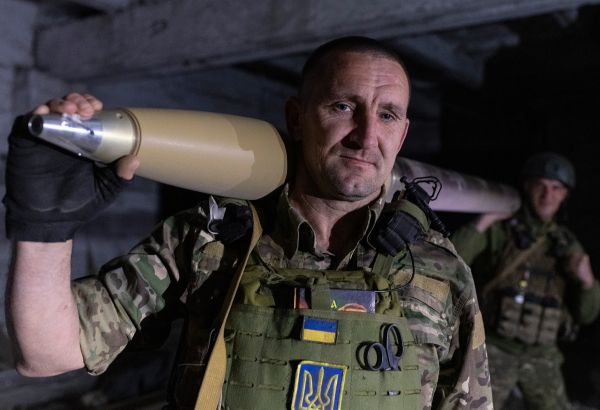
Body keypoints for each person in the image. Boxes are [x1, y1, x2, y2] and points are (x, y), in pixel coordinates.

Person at [4, 37, 492, 409]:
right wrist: (44, 228)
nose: (366, 136)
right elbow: (45, 353)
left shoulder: (439, 269)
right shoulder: (211, 239)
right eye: (344, 106)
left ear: (402, 134)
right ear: (297, 118)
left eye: (387, 115)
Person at [451, 152, 600, 410]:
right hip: (494, 348)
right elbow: (452, 261)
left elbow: (587, 315)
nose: (547, 195)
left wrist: (588, 283)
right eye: (540, 185)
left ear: (565, 195)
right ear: (527, 186)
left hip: (542, 353)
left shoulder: (566, 244)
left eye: (556, 188)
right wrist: (483, 222)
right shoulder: (501, 231)